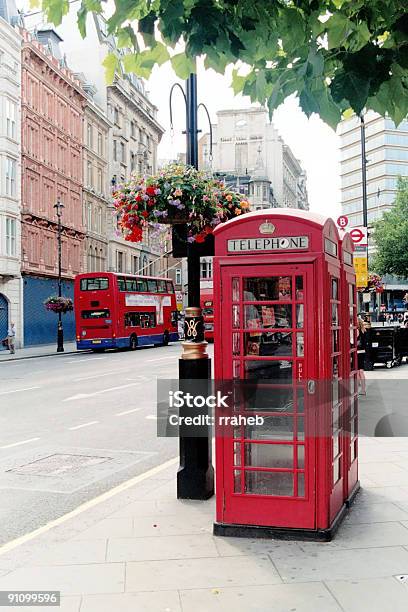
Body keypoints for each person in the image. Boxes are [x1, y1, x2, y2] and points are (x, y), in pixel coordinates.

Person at [357, 317, 367, 395]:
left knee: (358, 372)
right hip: (363, 352)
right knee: (361, 371)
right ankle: (363, 389)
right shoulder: (364, 331)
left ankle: (358, 389)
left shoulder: (356, 330)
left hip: (357, 352)